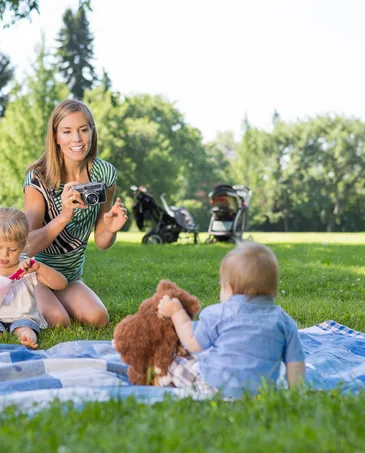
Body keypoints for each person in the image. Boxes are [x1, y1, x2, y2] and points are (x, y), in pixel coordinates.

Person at [22, 99, 127, 328]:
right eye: (67, 131)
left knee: (99, 319)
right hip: (33, 273)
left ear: (92, 132)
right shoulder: (38, 178)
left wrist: (110, 228)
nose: (77, 139)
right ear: (56, 137)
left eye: (83, 130)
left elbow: (101, 241)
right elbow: (27, 245)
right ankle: (15, 299)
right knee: (59, 322)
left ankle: (53, 299)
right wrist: (64, 216)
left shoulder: (104, 173)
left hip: (68, 276)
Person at [157, 241, 306, 397]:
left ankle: (159, 380)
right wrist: (295, 396)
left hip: (215, 389)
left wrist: (176, 311)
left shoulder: (217, 314)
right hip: (262, 394)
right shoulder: (284, 321)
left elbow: (192, 342)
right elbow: (295, 364)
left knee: (177, 361)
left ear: (228, 288)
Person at [0, 208, 67, 348]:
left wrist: (39, 268)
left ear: (23, 246)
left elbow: (61, 284)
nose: (4, 254)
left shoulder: (27, 269)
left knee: (26, 327)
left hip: (22, 317)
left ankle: (27, 337)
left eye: (12, 249)